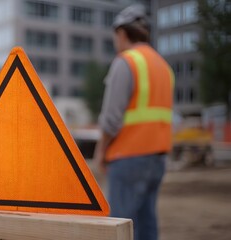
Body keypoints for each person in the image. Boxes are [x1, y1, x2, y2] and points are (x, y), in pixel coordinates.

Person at [93, 4, 174, 240]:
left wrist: (101, 151)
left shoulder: (126, 62)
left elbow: (111, 118)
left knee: (119, 226)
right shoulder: (163, 66)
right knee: (147, 223)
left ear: (122, 33)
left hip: (128, 156)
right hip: (157, 158)